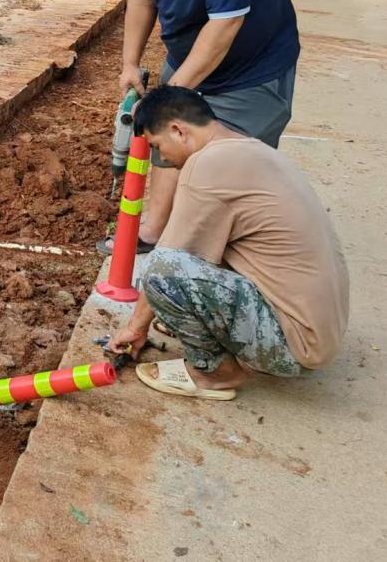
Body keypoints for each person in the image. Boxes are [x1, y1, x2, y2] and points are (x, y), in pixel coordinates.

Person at [109, 86, 348, 400]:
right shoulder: (251, 149)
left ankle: (214, 373)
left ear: (178, 130)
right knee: (194, 259)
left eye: (157, 146)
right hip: (320, 331)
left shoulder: (206, 166)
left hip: (293, 347)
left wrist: (136, 328)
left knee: (160, 272)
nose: (162, 158)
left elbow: (169, 259)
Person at [98, 0, 300, 255]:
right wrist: (130, 63)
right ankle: (155, 229)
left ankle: (214, 253)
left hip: (251, 69)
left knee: (230, 163)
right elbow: (142, 0)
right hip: (188, 55)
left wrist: (168, 95)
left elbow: (224, 28)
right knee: (169, 141)